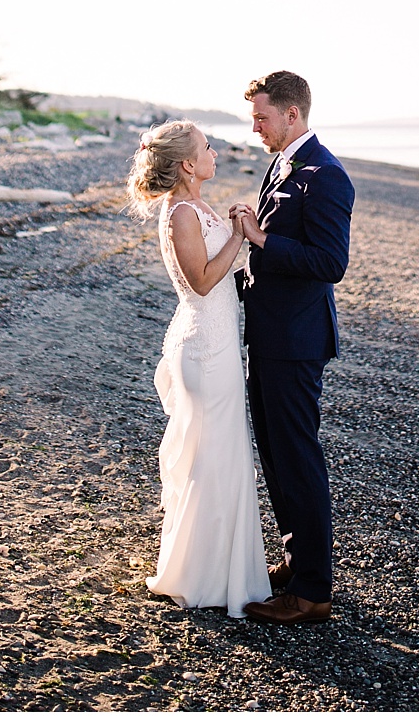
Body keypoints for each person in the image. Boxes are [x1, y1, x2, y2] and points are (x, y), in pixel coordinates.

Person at [127, 120, 272, 619]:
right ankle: (205, 577)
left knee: (221, 458)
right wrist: (238, 237)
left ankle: (217, 568)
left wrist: (239, 227)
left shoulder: (197, 205)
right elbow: (205, 280)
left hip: (218, 346)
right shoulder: (181, 214)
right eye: (208, 147)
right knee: (215, 460)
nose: (215, 152)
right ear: (189, 164)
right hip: (206, 353)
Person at [230, 70, 355, 625]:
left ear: (292, 115)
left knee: (298, 461)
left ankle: (312, 592)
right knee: (277, 459)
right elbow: (278, 254)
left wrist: (261, 239)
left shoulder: (326, 176)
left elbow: (330, 264)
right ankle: (296, 559)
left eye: (261, 117)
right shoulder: (281, 163)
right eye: (254, 117)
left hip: (297, 341)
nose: (255, 127)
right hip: (270, 333)